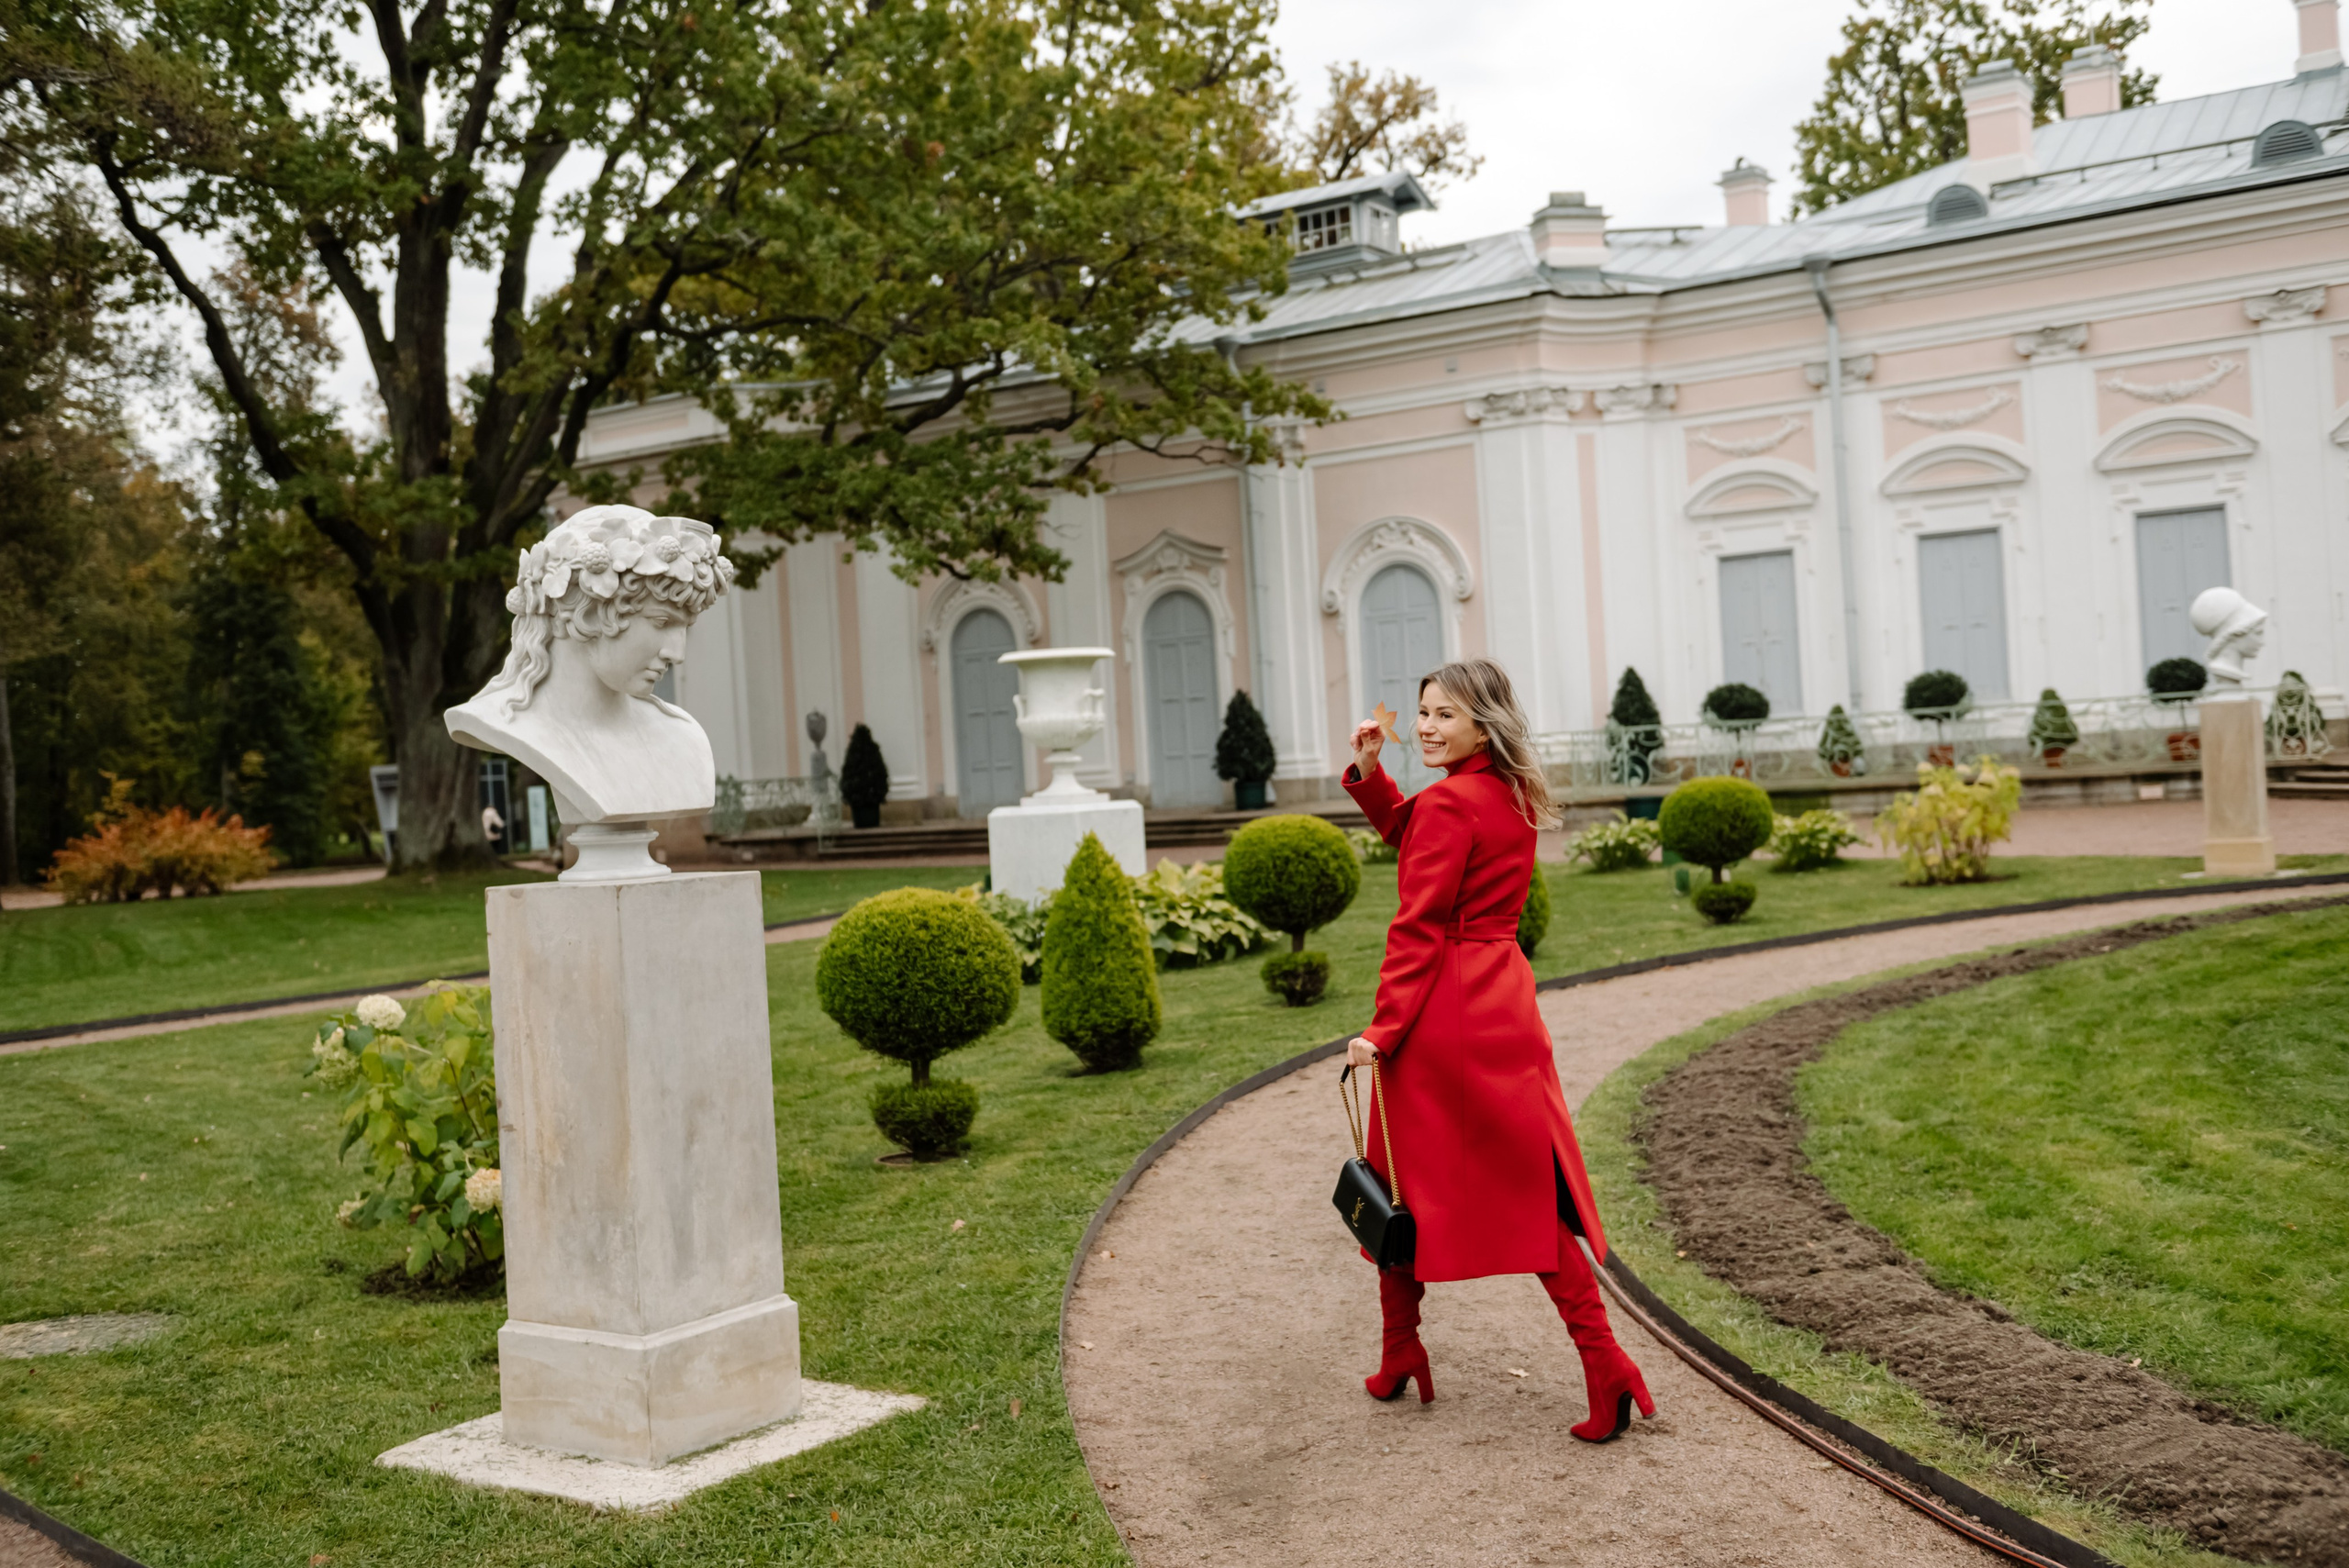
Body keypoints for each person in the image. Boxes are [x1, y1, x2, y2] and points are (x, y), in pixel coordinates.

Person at [1341, 657, 1655, 1442]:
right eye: (1422, 712)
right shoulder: (1508, 793)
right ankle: (1595, 1360)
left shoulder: (1452, 803)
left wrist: (1382, 1030)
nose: (1426, 726)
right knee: (1524, 1186)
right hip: (1501, 1000)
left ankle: (1410, 1345)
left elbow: (1417, 924)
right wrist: (1373, 779)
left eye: (1444, 714)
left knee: (1397, 1180)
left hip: (1443, 1015)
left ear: (1483, 726)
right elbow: (1422, 836)